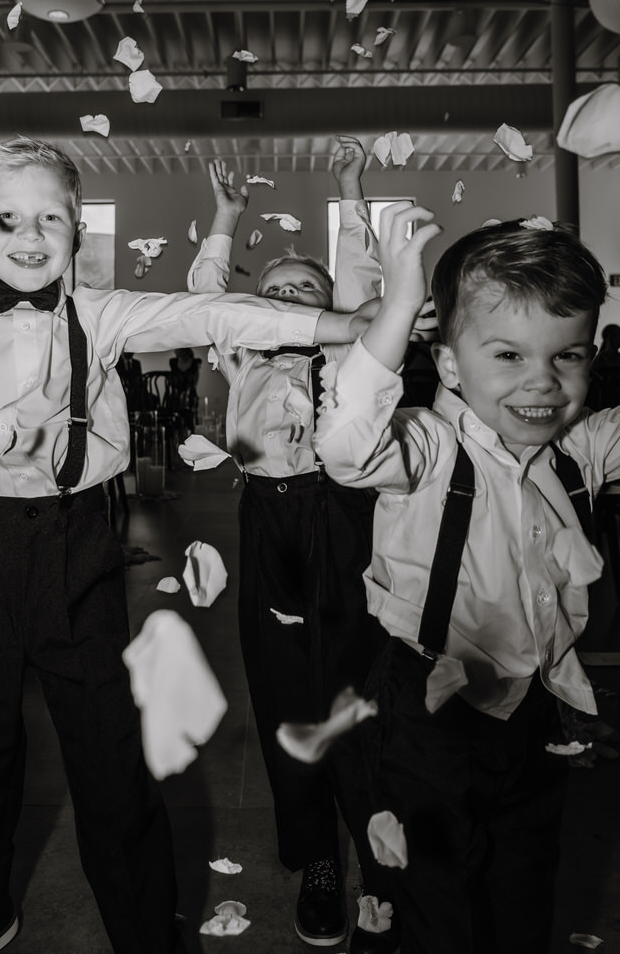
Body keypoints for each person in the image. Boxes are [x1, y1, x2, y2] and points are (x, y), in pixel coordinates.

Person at [0, 137, 373, 954]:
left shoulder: (103, 315)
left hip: (75, 552)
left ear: (76, 232)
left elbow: (212, 311)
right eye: (5, 218)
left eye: (50, 217)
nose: (29, 235)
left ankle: (145, 933)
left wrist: (340, 322)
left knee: (108, 763)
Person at [313, 205, 620, 954]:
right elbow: (344, 448)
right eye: (507, 356)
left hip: (535, 713)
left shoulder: (582, 449)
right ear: (447, 363)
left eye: (566, 356)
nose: (543, 381)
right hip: (429, 717)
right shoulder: (427, 448)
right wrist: (400, 307)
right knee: (434, 904)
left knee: (524, 884)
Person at [187, 140, 396, 953]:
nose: (284, 302)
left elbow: (363, 290)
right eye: (271, 293)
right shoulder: (240, 357)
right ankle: (316, 856)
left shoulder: (344, 358)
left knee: (351, 682)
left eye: (301, 292)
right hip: (266, 523)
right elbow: (205, 298)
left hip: (341, 515)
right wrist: (228, 218)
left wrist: (352, 189)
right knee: (282, 690)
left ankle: (376, 845)